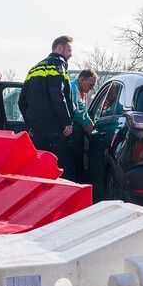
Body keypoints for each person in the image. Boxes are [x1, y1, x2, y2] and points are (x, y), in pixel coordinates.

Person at [18, 35, 76, 179]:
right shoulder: (58, 65)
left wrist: (30, 124)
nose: (71, 54)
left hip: (37, 128)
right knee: (61, 168)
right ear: (60, 48)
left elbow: (21, 101)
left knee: (40, 167)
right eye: (69, 49)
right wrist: (67, 122)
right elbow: (58, 94)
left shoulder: (34, 68)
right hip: (55, 127)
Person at [70, 69, 98, 182]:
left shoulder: (80, 90)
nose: (92, 88)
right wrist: (93, 131)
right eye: (91, 84)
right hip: (71, 132)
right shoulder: (73, 89)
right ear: (81, 80)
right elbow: (80, 113)